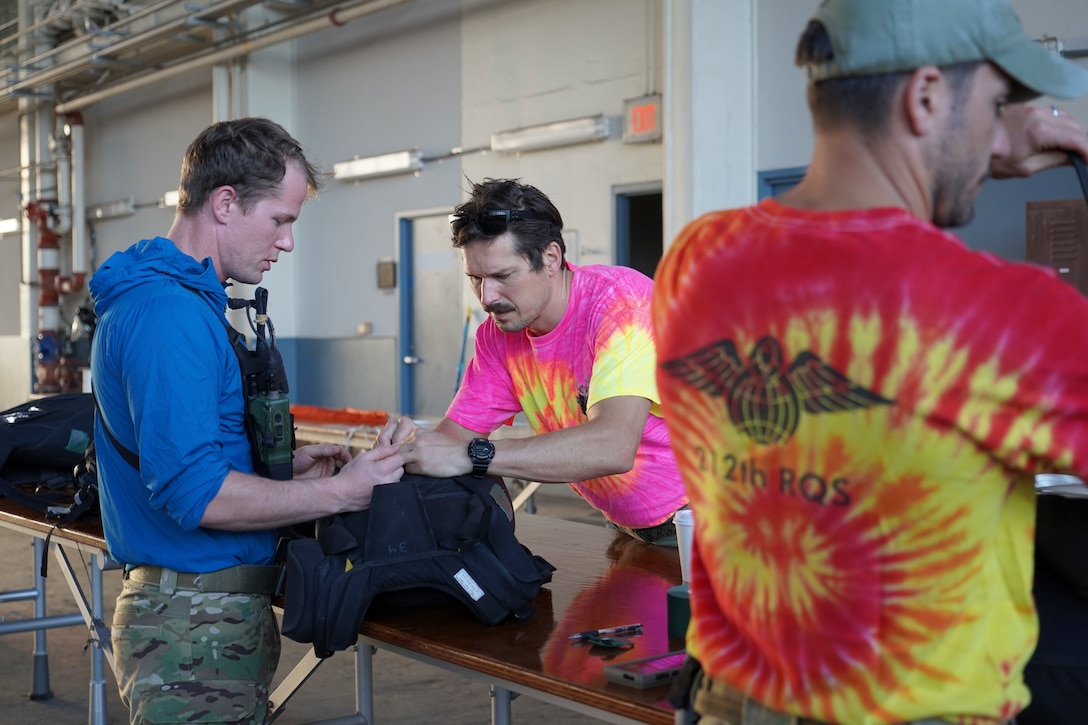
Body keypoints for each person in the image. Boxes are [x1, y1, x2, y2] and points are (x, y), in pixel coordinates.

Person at [651, 0, 1088, 723]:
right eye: (996, 103)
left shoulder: (697, 260)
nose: (999, 128)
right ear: (924, 98)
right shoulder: (1004, 315)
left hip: (728, 700)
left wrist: (963, 137)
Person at [89, 117, 405, 725]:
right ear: (226, 203)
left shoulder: (183, 302)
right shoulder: (168, 316)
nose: (287, 242)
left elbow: (198, 454)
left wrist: (287, 469)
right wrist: (340, 492)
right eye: (280, 221)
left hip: (206, 618)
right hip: (192, 629)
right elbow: (194, 492)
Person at [377, 178, 687, 544]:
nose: (487, 297)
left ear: (552, 258)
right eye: (475, 279)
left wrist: (474, 455)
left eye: (503, 276)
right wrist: (405, 455)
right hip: (627, 522)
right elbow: (455, 438)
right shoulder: (499, 335)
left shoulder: (622, 306)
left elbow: (612, 446)